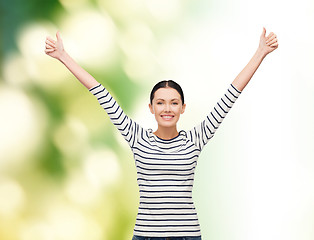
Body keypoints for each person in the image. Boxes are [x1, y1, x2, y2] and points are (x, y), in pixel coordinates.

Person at [45, 27, 278, 240]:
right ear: (151, 108)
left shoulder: (195, 139)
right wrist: (64, 56)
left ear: (183, 108)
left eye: (174, 103)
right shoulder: (137, 137)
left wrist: (260, 53)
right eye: (161, 103)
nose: (167, 108)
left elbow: (231, 95)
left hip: (186, 236)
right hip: (146, 236)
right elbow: (101, 94)